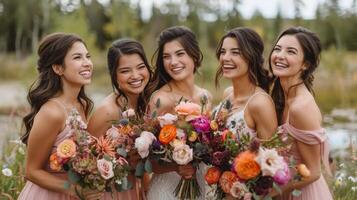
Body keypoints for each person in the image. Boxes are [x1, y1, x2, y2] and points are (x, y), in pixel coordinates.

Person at [18, 33, 101, 199]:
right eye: (78, 57)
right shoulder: (52, 112)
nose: (87, 63)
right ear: (58, 68)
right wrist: (72, 189)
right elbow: (32, 171)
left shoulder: (82, 105)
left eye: (88, 56)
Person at [146, 26, 211, 200]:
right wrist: (176, 167)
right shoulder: (160, 100)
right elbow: (147, 160)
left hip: (199, 187)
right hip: (167, 191)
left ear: (194, 55)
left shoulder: (205, 96)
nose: (173, 62)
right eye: (166, 56)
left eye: (180, 54)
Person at [269, 26, 333, 199]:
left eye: (291, 51)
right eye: (277, 49)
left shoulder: (301, 107)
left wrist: (265, 193)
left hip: (303, 194)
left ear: (306, 64)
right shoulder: (280, 97)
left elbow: (313, 172)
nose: (280, 55)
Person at [87, 39, 152, 199]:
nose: (136, 76)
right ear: (114, 75)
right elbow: (84, 163)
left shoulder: (145, 105)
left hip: (134, 190)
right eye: (125, 71)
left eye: (141, 67)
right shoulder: (108, 112)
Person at [214, 27, 277, 140]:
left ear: (251, 57)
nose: (225, 58)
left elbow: (269, 154)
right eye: (223, 52)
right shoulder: (227, 93)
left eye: (235, 52)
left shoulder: (260, 103)